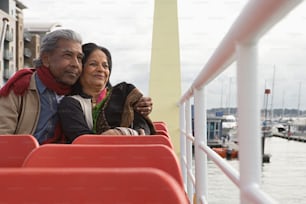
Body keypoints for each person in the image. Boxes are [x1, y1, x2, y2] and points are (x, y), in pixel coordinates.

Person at [0, 29, 152, 144]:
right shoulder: (19, 89)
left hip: (67, 166)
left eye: (79, 58)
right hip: (23, 167)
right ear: (46, 59)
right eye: (68, 55)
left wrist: (138, 105)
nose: (75, 64)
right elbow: (4, 140)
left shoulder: (75, 93)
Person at [58, 43, 156, 143]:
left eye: (105, 66)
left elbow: (143, 130)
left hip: (133, 154)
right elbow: (81, 140)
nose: (101, 69)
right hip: (89, 157)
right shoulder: (70, 104)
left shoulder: (124, 95)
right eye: (93, 64)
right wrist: (109, 137)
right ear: (81, 68)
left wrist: (121, 133)